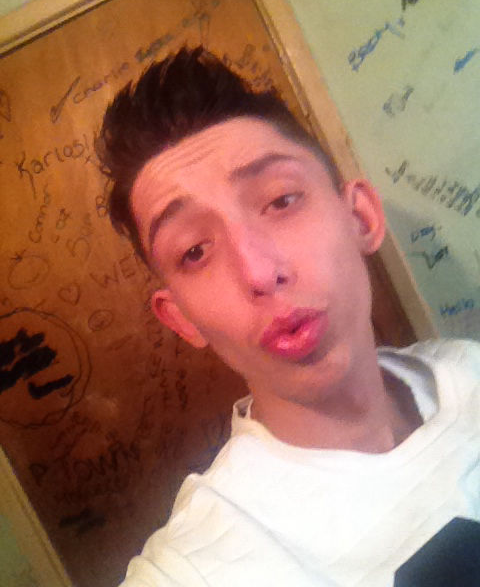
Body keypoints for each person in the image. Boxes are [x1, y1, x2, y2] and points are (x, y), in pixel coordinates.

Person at [97, 47, 480, 587]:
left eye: (280, 200)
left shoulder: (468, 369)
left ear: (360, 218)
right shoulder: (194, 568)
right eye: (195, 251)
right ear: (181, 319)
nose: (258, 272)